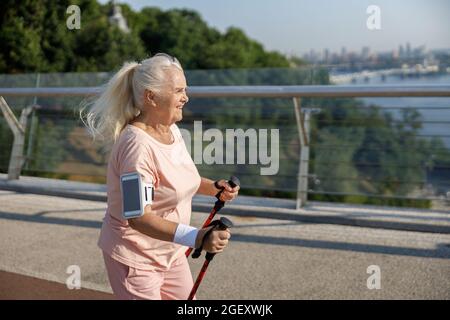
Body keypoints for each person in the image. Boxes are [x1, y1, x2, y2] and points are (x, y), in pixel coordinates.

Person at [81, 53, 239, 300]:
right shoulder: (137, 147)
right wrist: (197, 237)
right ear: (151, 97)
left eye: (185, 90)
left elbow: (180, 180)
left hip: (170, 254)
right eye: (178, 91)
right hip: (135, 259)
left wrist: (214, 187)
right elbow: (138, 216)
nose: (185, 97)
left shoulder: (171, 130)